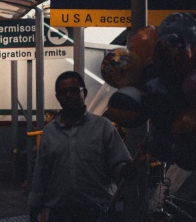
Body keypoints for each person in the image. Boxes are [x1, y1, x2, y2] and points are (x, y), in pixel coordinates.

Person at [28, 71, 134, 222]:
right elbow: (41, 173)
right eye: (63, 92)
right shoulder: (49, 132)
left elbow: (119, 163)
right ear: (57, 97)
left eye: (73, 90)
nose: (68, 95)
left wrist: (124, 170)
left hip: (98, 214)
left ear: (84, 92)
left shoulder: (103, 127)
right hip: (60, 215)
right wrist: (34, 207)